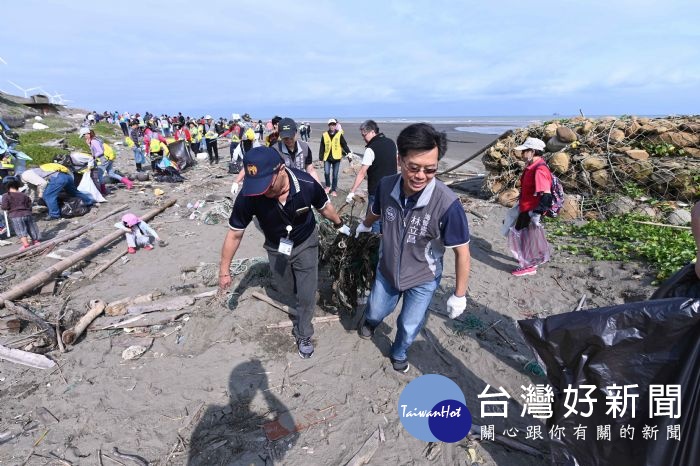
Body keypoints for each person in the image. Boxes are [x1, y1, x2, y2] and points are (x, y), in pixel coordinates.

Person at [356, 123, 471, 373]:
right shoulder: (386, 185)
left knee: (410, 324)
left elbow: (462, 251)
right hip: (387, 268)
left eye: (430, 170)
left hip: (423, 276)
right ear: (400, 160)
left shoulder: (448, 204)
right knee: (376, 309)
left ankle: (399, 351)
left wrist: (459, 295)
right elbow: (376, 211)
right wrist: (364, 226)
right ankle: (370, 322)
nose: (421, 176)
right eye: (414, 167)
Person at [219, 146, 351, 359]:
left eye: (266, 185)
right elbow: (234, 234)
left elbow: (324, 207)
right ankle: (296, 290)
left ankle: (304, 332)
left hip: (305, 242)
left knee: (307, 294)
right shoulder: (249, 194)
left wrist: (339, 224)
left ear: (281, 170)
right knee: (285, 286)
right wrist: (224, 271)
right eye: (257, 186)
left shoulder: (307, 184)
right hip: (276, 246)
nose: (263, 191)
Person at [509, 137, 553, 277]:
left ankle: (529, 266)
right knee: (524, 236)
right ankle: (528, 260)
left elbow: (546, 194)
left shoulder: (539, 169)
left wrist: (536, 214)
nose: (522, 154)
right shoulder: (531, 167)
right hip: (526, 207)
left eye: (524, 151)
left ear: (532, 152)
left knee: (526, 238)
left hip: (531, 210)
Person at [346, 120, 398, 232]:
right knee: (388, 218)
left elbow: (362, 172)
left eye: (364, 135)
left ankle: (376, 245)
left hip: (376, 190)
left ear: (373, 132)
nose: (363, 138)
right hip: (393, 188)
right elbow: (395, 163)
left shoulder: (371, 149)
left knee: (374, 219)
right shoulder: (391, 143)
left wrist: (352, 191)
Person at [1, 176, 40, 250]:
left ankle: (26, 244)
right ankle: (36, 241)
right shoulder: (24, 195)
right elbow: (29, 204)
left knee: (20, 230)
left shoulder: (5, 196)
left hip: (15, 216)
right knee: (31, 228)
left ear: (5, 186)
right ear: (17, 185)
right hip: (27, 214)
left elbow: (4, 207)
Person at [319, 118, 352, 196]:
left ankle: (334, 190)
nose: (332, 126)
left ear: (335, 125)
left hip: (336, 158)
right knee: (326, 173)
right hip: (327, 157)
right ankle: (327, 186)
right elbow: (322, 147)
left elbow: (344, 144)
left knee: (335, 175)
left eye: (334, 124)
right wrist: (320, 158)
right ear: (328, 125)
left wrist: (349, 152)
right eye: (331, 124)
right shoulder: (324, 135)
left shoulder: (339, 134)